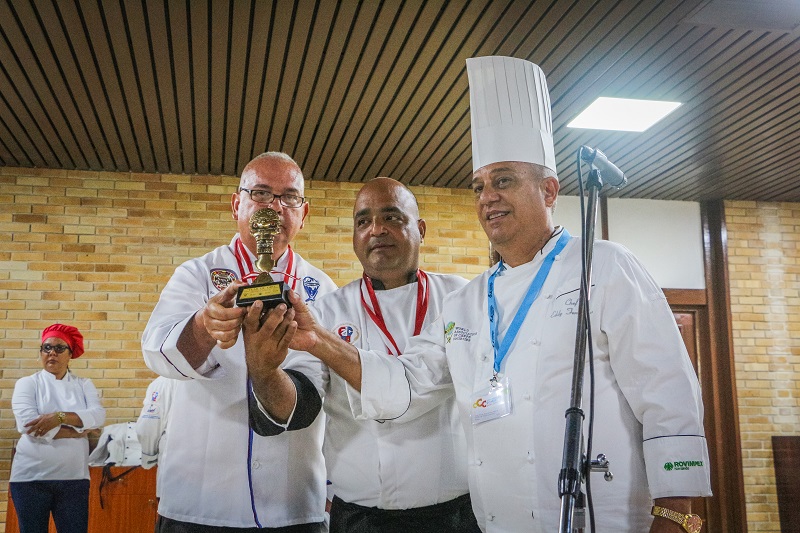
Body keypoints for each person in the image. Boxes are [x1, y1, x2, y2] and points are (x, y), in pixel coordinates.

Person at [260, 57, 713, 532]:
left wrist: (676, 513)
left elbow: (668, 393)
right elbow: (405, 388)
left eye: (504, 181)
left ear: (549, 189)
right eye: (479, 186)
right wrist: (317, 339)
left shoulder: (604, 265)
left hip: (602, 511)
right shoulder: (468, 302)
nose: (488, 197)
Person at [244, 178, 480, 533]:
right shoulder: (326, 310)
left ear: (420, 229)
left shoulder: (460, 297)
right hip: (360, 519)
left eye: (392, 217)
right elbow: (300, 404)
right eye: (363, 221)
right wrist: (264, 371)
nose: (376, 230)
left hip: (453, 516)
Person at [141, 152, 337, 532]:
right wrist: (203, 325)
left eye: (289, 197)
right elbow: (156, 351)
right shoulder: (197, 274)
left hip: (293, 501)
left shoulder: (323, 289)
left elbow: (323, 387)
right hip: (200, 501)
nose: (275, 208)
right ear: (237, 204)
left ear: (304, 212)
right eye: (261, 194)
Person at [10, 323, 106, 533]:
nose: (52, 352)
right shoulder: (27, 384)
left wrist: (58, 417)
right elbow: (29, 426)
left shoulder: (84, 384)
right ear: (41, 352)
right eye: (47, 347)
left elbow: (98, 417)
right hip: (31, 479)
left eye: (60, 348)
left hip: (74, 479)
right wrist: (80, 430)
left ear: (71, 354)